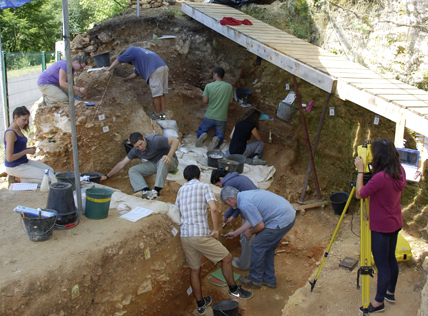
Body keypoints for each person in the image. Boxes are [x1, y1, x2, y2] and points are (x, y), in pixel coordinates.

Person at [176, 165, 253, 315]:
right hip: (199, 234)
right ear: (199, 176)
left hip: (185, 235)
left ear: (185, 179)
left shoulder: (181, 190)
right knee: (227, 257)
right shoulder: (204, 186)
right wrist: (216, 230)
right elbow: (214, 209)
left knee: (194, 269)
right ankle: (234, 290)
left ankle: (200, 304)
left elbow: (176, 210)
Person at [355, 138, 406, 314]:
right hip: (395, 223)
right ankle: (390, 292)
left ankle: (378, 303)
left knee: (382, 264)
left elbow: (360, 194)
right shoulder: (400, 171)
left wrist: (361, 171)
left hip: (381, 228)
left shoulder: (380, 178)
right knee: (391, 258)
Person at [221, 186, 296, 289]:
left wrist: (250, 232)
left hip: (280, 219)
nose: (228, 205)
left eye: (226, 203)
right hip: (288, 215)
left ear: (229, 200)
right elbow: (253, 219)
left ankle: (255, 279)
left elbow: (260, 226)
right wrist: (236, 233)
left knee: (257, 245)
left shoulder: (244, 203)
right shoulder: (245, 195)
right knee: (268, 249)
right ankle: (269, 279)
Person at [100, 133, 178, 200]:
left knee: (162, 161)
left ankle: (156, 191)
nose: (140, 148)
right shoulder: (135, 150)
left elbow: (175, 141)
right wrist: (107, 176)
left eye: (141, 144)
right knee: (133, 170)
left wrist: (169, 156)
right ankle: (145, 191)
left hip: (170, 162)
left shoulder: (154, 140)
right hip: (155, 164)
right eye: (137, 146)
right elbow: (122, 164)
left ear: (143, 138)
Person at [210, 168, 257, 270]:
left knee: (247, 239)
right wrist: (233, 216)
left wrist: (226, 216)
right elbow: (239, 201)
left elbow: (233, 202)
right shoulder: (237, 178)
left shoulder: (228, 183)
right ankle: (246, 260)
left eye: (218, 185)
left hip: (252, 212)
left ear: (221, 179)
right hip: (253, 208)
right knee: (245, 238)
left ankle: (244, 265)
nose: (221, 187)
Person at [104, 47, 168, 120]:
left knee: (156, 95)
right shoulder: (139, 58)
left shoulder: (131, 50)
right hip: (163, 67)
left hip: (155, 69)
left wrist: (108, 69)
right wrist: (125, 79)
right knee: (161, 93)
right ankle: (162, 114)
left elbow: (118, 59)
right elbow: (135, 74)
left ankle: (157, 115)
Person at [4, 106, 56, 183]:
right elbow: (9, 158)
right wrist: (26, 151)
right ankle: (18, 179)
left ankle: (22, 178)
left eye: (27, 120)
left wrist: (29, 149)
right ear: (16, 117)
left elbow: (18, 147)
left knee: (51, 171)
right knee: (47, 179)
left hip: (24, 162)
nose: (26, 123)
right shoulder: (10, 133)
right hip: (14, 167)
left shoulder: (18, 128)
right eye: (24, 120)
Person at [195, 67, 234, 151]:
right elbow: (231, 101)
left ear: (216, 74)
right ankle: (217, 140)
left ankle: (202, 135)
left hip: (209, 115)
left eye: (213, 74)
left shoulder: (209, 86)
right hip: (222, 117)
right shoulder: (229, 86)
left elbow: (205, 101)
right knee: (220, 134)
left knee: (201, 130)